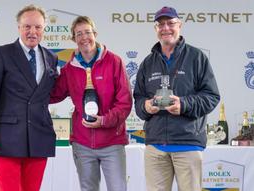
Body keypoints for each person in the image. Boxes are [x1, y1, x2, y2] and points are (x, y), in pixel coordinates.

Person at [133, 6, 220, 191]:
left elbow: (211, 96)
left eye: (170, 23)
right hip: (155, 147)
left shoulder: (197, 57)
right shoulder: (148, 63)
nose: (166, 28)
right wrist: (146, 106)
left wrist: (184, 104)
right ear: (155, 29)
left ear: (179, 25)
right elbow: (138, 100)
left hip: (187, 144)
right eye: (161, 24)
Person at [0, 4, 58, 191]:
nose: (32, 31)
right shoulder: (1, 54)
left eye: (37, 27)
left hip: (39, 138)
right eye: (27, 26)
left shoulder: (51, 57)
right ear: (19, 27)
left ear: (44, 29)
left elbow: (47, 93)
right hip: (7, 139)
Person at [50, 16, 132, 191]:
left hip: (112, 142)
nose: (84, 37)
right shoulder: (69, 69)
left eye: (87, 32)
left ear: (95, 34)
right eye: (79, 34)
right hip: (83, 143)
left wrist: (104, 120)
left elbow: (125, 102)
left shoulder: (114, 62)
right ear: (74, 39)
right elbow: (53, 95)